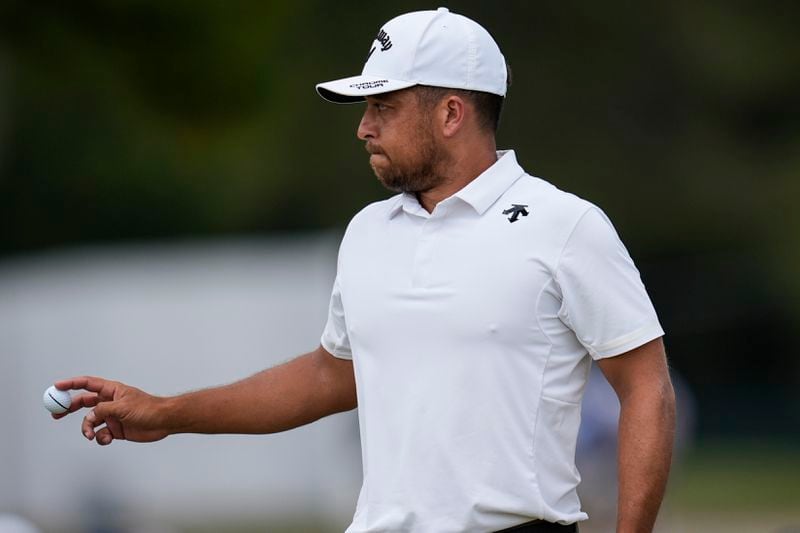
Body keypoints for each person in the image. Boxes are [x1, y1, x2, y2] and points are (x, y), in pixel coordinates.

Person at [54, 8, 676, 533]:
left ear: (451, 113)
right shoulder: (367, 233)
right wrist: (166, 412)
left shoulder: (564, 225)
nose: (363, 127)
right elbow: (332, 376)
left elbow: (646, 387)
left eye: (383, 105)